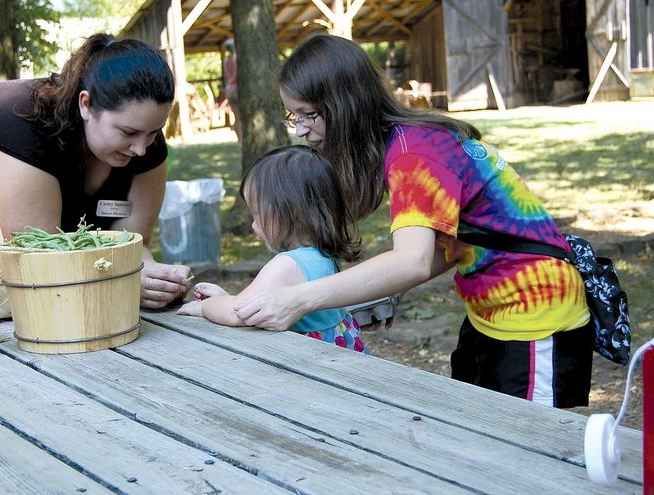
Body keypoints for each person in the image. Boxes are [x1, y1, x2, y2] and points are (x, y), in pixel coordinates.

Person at [234, 34, 593, 408]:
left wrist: (299, 299)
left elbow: (412, 261)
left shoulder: (413, 154)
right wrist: (384, 291)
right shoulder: (408, 143)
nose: (301, 130)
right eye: (294, 116)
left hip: (537, 313)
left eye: (309, 114)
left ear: (345, 104)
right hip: (494, 313)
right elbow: (460, 243)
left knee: (528, 443)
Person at [0, 33, 192, 323]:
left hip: (67, 279)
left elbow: (130, 243)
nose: (141, 149)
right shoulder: (16, 123)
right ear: (86, 105)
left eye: (153, 132)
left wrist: (149, 273)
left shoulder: (144, 142)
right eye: (128, 132)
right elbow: (39, 259)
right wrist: (122, 275)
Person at [176, 145, 368, 353]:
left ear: (290, 212)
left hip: (308, 364)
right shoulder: (324, 254)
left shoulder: (287, 264)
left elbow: (237, 313)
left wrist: (205, 308)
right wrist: (224, 297)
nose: (253, 225)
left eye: (257, 214)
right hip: (338, 356)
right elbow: (257, 306)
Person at [222, 38, 241, 141]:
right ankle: (242, 140)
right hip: (237, 90)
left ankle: (239, 140)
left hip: (229, 90)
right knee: (240, 118)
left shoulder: (226, 60)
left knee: (236, 117)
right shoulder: (236, 59)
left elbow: (227, 76)